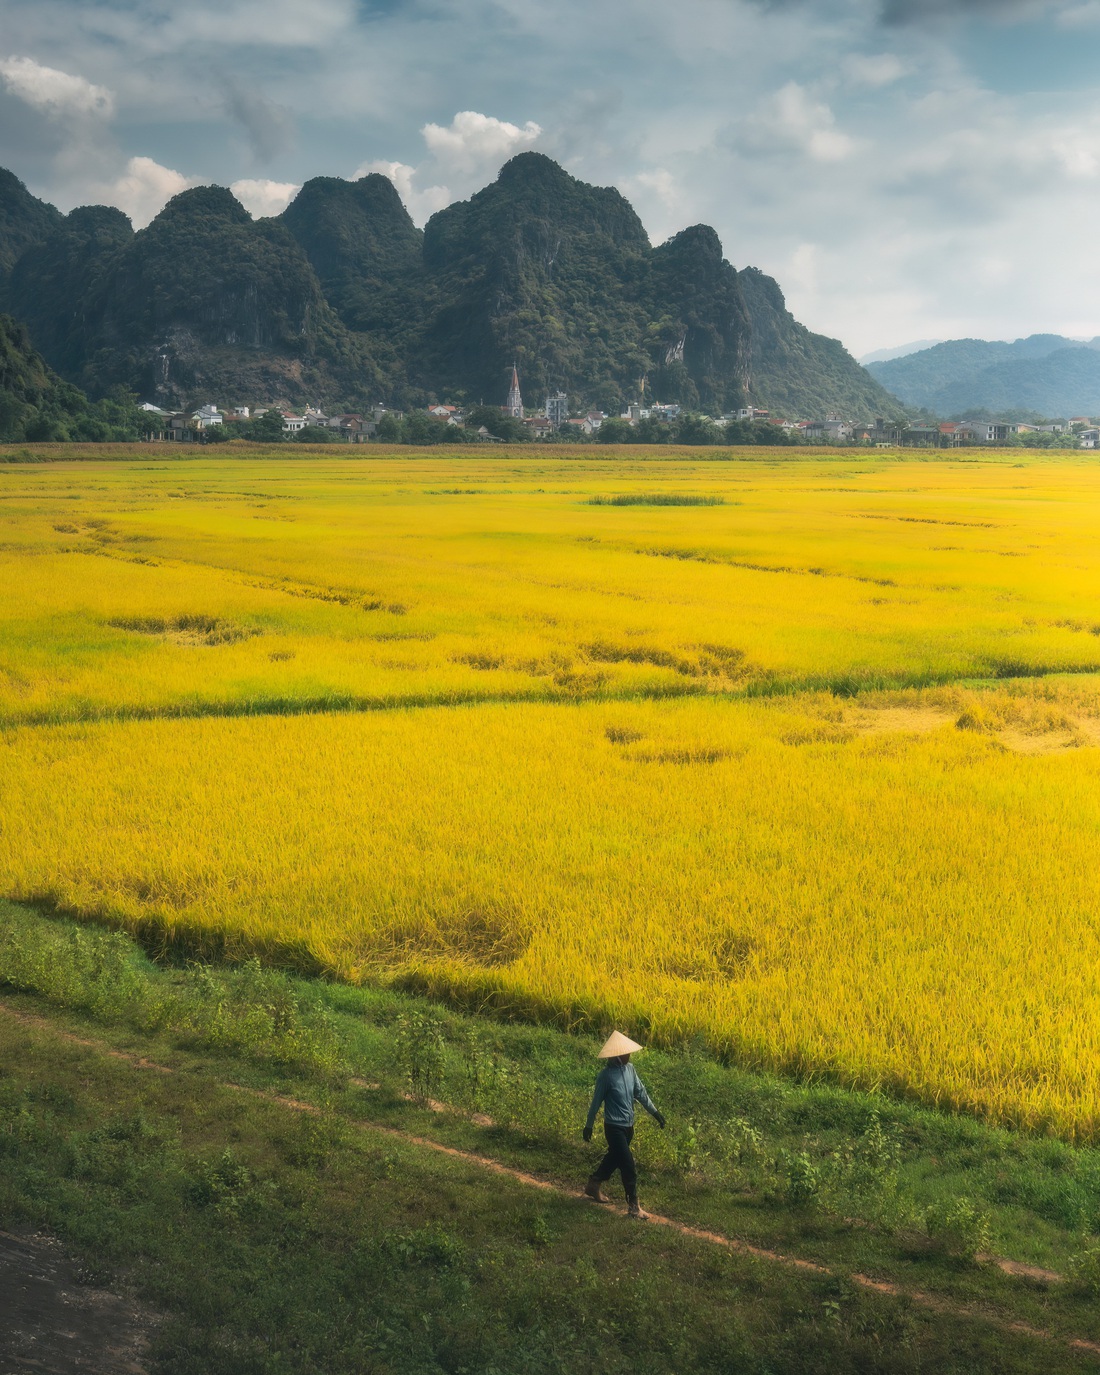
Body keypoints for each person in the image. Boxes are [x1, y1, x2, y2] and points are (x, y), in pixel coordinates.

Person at [582, 1030, 665, 1219]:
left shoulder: (630, 1070)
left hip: (629, 1128)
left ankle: (594, 1184)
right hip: (614, 1128)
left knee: (614, 1158)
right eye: (626, 1053)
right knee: (628, 1164)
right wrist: (588, 1125)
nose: (629, 1055)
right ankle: (634, 1207)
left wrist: (655, 1113)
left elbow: (641, 1093)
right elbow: (596, 1102)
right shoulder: (605, 1076)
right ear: (617, 1055)